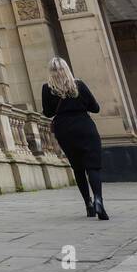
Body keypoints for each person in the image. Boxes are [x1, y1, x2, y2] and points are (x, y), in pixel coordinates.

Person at [42, 57, 108, 220]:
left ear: (50, 72)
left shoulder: (46, 88)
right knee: (93, 167)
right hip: (85, 127)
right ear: (67, 69)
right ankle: (99, 199)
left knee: (78, 168)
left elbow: (48, 112)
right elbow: (95, 107)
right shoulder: (79, 85)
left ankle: (89, 204)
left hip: (64, 129)